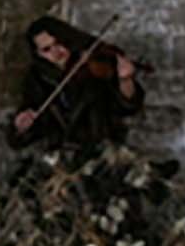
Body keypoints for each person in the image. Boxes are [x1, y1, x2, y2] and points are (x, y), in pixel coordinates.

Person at [9, 16, 142, 155]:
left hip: (102, 150)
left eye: (59, 43)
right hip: (61, 154)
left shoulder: (93, 66)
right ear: (37, 53)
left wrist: (126, 80)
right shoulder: (37, 78)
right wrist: (21, 124)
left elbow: (128, 106)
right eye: (47, 49)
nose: (56, 52)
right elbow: (22, 136)